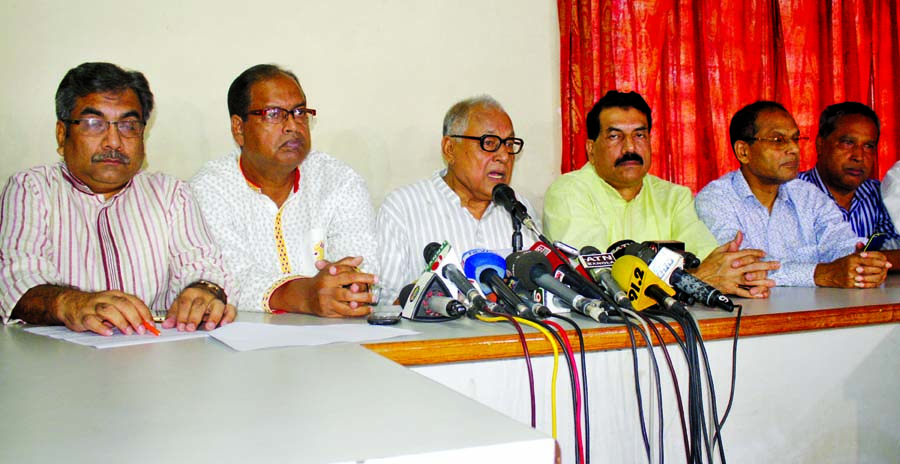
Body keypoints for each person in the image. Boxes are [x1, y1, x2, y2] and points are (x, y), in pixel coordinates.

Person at [0, 62, 235, 335]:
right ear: (62, 134)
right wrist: (72, 303)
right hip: (60, 360)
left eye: (128, 125)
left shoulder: (171, 194)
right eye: (93, 124)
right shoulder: (32, 189)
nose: (113, 141)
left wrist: (203, 292)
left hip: (155, 356)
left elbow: (204, 267)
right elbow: (16, 279)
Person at [543, 90, 777, 298]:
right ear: (591, 150)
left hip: (676, 325)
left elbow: (707, 261)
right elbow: (598, 278)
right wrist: (696, 280)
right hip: (598, 330)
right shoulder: (568, 192)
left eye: (639, 135)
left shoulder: (673, 197)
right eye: (615, 136)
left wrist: (738, 275)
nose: (630, 148)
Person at [191, 64, 377, 317]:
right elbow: (226, 278)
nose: (293, 126)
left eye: (299, 112)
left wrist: (349, 285)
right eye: (274, 114)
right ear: (238, 128)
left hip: (335, 338)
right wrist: (306, 294)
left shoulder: (339, 181)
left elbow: (363, 262)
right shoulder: (211, 188)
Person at [695, 101, 890, 288]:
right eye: (778, 140)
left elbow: (840, 242)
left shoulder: (807, 195)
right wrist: (819, 274)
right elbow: (741, 268)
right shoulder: (715, 199)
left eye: (796, 139)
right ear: (743, 151)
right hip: (749, 316)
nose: (794, 149)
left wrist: (862, 263)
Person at [377, 95, 539, 304]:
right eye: (489, 143)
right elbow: (384, 304)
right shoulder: (403, 208)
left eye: (509, 144)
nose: (504, 156)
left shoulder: (519, 210)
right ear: (450, 149)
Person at [798, 102, 900, 252]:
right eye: (848, 143)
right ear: (820, 144)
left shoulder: (882, 194)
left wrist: (864, 259)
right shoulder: (791, 194)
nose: (859, 156)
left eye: (868, 146)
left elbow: (895, 248)